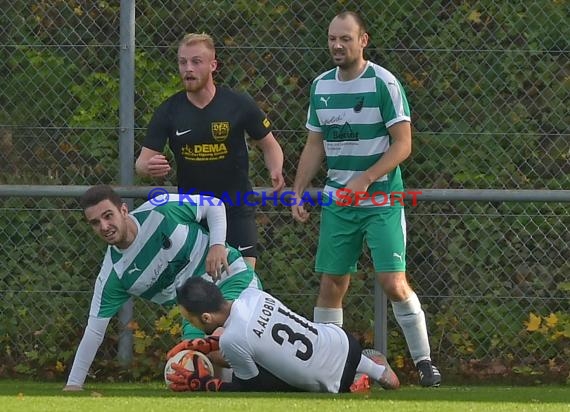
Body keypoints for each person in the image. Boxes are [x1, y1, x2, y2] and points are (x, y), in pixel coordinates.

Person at [291, 11, 441, 387]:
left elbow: (403, 144)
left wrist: (367, 178)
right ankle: (326, 364)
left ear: (363, 40)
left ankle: (424, 362)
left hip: (381, 200)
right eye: (331, 39)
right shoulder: (321, 86)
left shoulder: (384, 83)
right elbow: (314, 144)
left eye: (345, 38)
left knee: (392, 282)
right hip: (339, 203)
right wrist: (297, 191)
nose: (337, 46)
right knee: (332, 283)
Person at [63, 185, 262, 391]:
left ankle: (270, 369)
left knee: (222, 339)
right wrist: (73, 385)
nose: (104, 226)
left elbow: (214, 205)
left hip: (233, 279)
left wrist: (217, 245)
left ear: (123, 210)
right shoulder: (113, 275)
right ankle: (241, 382)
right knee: (194, 358)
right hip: (196, 314)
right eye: (95, 223)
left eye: (108, 216)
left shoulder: (161, 208)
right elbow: (94, 331)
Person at [135, 32, 285, 269]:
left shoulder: (237, 104)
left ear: (213, 65)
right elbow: (142, 163)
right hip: (194, 211)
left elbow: (270, 145)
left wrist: (275, 168)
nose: (188, 68)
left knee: (241, 279)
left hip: (236, 206)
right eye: (182, 62)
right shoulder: (169, 111)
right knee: (200, 289)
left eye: (196, 61)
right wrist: (148, 167)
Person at [165, 277, 400, 393]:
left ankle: (361, 376)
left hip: (333, 383)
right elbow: (258, 334)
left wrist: (202, 383)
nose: (191, 323)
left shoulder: (231, 339)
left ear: (206, 318)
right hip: (342, 341)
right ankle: (373, 367)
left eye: (191, 320)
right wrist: (205, 345)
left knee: (261, 374)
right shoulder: (253, 294)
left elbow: (248, 386)